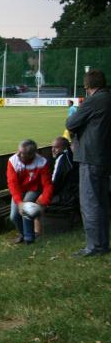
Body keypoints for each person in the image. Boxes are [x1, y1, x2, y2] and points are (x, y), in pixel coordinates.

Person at [66, 69, 111, 257]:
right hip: (105, 157)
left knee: (90, 202)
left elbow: (71, 123)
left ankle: (95, 246)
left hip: (90, 157)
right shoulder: (108, 98)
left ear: (88, 86)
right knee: (101, 202)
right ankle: (102, 243)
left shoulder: (93, 101)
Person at [7, 139, 53, 244]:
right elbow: (12, 183)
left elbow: (47, 185)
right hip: (18, 190)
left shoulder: (41, 162)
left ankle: (29, 238)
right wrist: (19, 202)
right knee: (13, 216)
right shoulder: (13, 161)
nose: (18, 154)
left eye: (21, 153)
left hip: (33, 189)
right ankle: (22, 234)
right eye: (18, 151)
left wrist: (44, 203)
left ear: (31, 155)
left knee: (27, 209)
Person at [50, 137, 79, 207]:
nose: (53, 150)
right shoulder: (73, 156)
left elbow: (56, 182)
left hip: (69, 196)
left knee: (38, 201)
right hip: (77, 193)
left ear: (65, 147)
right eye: (52, 147)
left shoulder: (62, 158)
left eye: (56, 147)